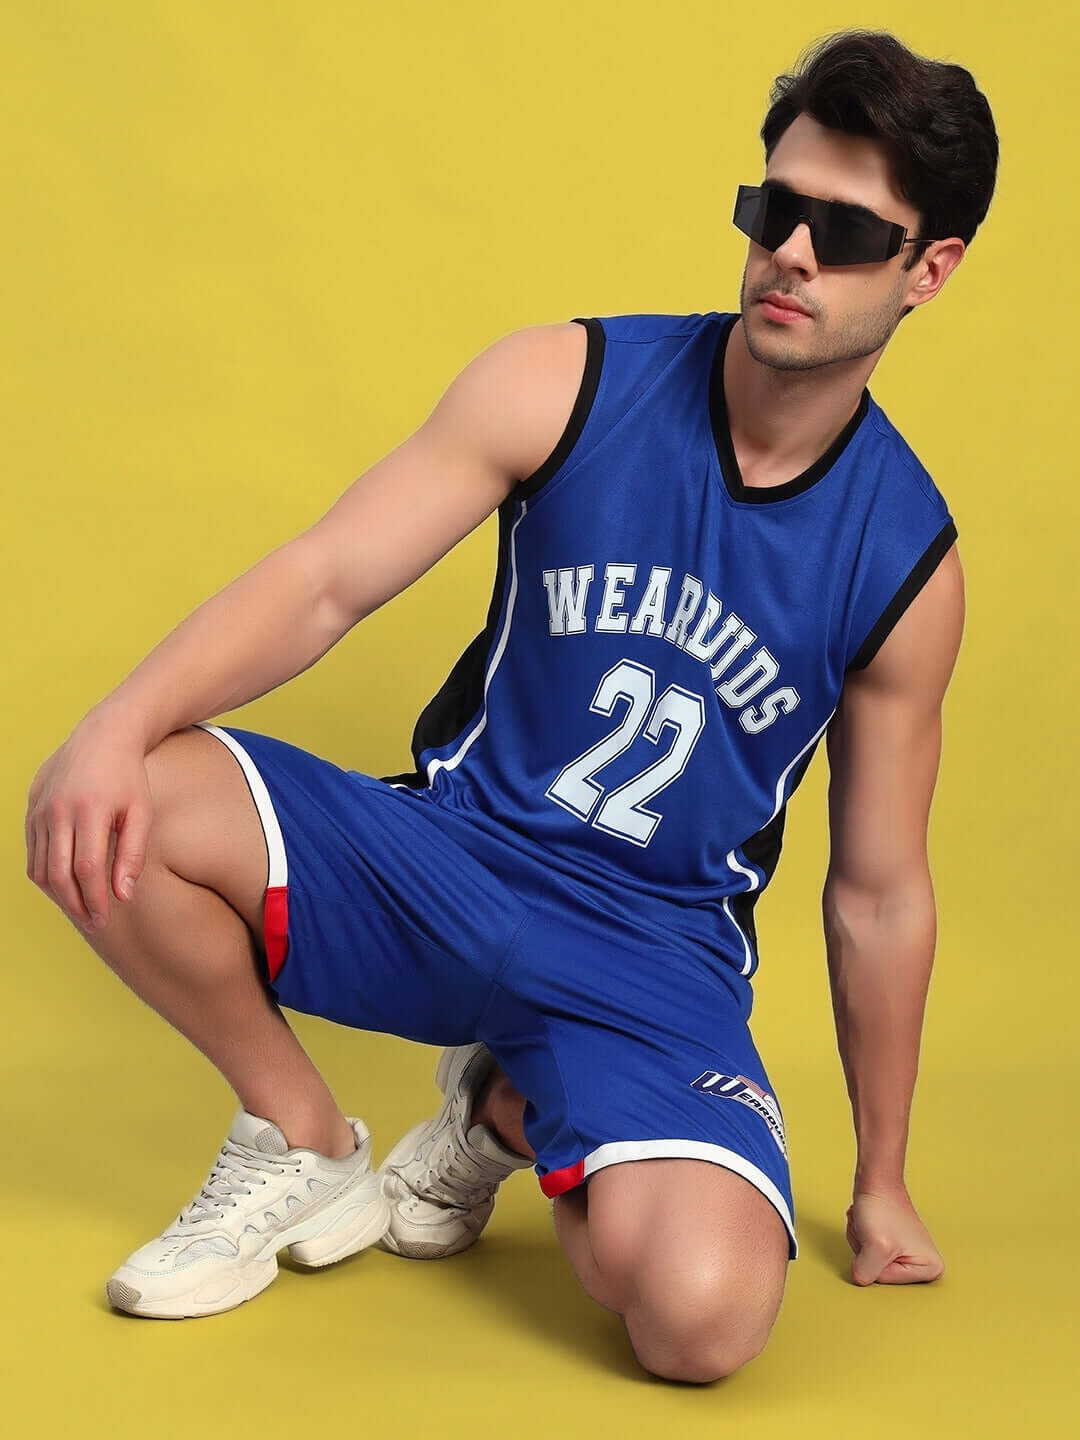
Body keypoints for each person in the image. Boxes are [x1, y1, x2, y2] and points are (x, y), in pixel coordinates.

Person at [25, 27, 997, 1381]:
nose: (793, 255)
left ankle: (509, 1106)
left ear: (928, 271)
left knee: (704, 1323)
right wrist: (115, 726)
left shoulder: (904, 561)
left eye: (846, 232)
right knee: (109, 801)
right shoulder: (570, 379)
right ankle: (303, 1135)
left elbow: (879, 890)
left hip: (656, 958)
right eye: (776, 212)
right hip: (452, 862)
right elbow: (323, 582)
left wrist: (882, 1178)